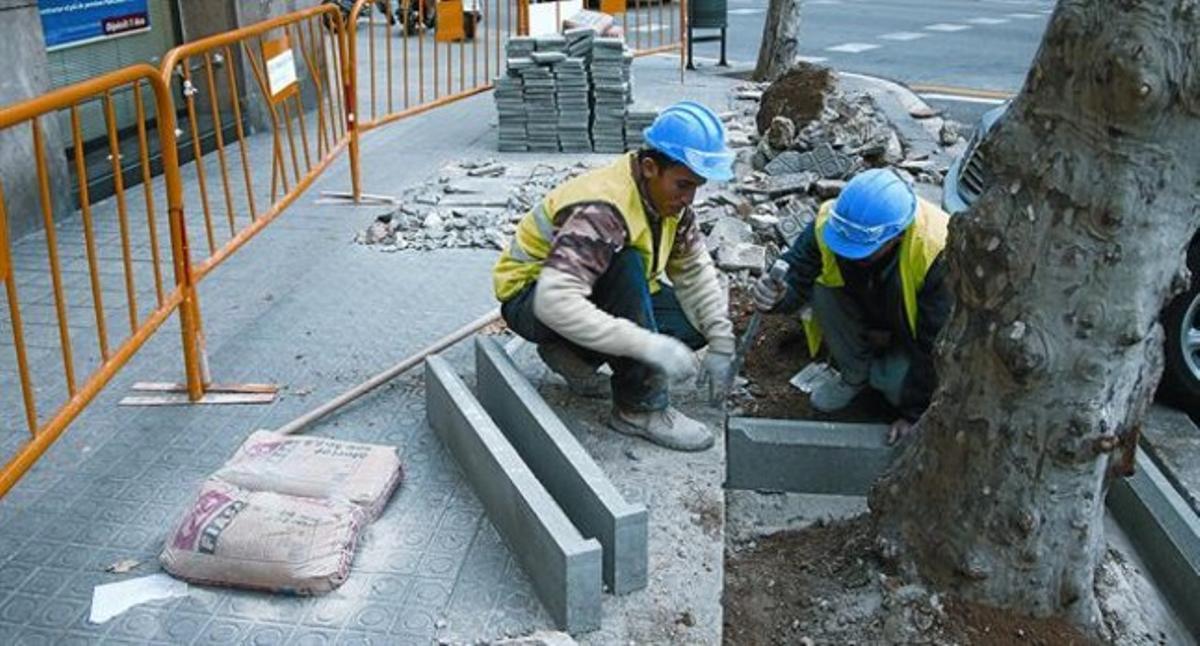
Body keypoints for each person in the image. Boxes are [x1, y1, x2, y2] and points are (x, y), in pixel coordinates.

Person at [492, 101, 736, 452]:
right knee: (626, 262)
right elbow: (554, 302)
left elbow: (695, 271)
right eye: (683, 185)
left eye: (697, 186)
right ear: (650, 167)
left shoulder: (669, 203)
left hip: (590, 291)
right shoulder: (602, 210)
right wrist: (646, 345)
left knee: (691, 325)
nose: (689, 198)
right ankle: (639, 409)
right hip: (531, 299)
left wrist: (721, 341)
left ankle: (575, 357)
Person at [751, 168, 952, 444]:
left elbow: (937, 343)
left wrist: (915, 414)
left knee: (895, 389)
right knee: (822, 286)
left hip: (914, 335)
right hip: (868, 308)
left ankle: (884, 376)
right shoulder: (830, 224)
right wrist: (777, 296)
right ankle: (855, 375)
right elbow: (796, 274)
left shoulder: (938, 251)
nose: (852, 255)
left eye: (863, 249)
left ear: (897, 236)